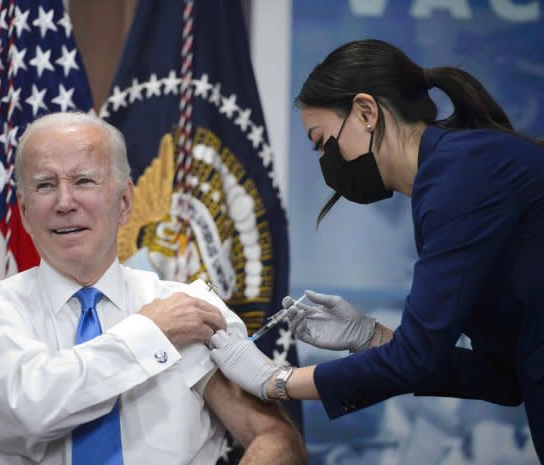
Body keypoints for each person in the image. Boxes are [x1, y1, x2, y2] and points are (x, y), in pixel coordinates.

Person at [209, 38, 544, 462]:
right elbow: (503, 378)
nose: (325, 161)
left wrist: (277, 380)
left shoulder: (459, 178)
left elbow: (416, 359)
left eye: (322, 142)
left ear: (367, 112)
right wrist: (372, 338)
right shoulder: (450, 178)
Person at [0, 112, 306, 465]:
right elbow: (30, 409)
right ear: (26, 213)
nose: (64, 202)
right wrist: (150, 332)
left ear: (124, 203)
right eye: (45, 185)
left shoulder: (190, 309)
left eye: (84, 181)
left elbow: (274, 436)